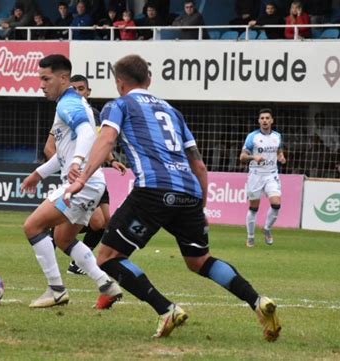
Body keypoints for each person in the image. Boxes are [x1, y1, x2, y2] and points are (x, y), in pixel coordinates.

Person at [64, 54, 281, 341]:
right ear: (149, 80)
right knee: (200, 260)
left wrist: (82, 176)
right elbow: (199, 164)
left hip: (153, 190)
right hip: (189, 191)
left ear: (119, 82)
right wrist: (200, 205)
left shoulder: (118, 105)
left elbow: (106, 141)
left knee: (106, 258)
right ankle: (258, 301)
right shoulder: (172, 112)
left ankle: (166, 309)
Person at [20, 54, 122, 309]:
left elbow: (87, 134)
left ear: (63, 78)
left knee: (33, 227)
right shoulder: (73, 103)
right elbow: (62, 155)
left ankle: (56, 290)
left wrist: (77, 162)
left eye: (46, 78)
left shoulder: (68, 104)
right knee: (63, 239)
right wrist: (39, 174)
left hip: (82, 184)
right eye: (40, 78)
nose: (41, 84)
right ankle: (107, 285)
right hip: (91, 183)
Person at [44, 74, 127, 275]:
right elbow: (49, 148)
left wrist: (112, 160)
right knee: (97, 222)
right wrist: (69, 166)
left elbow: (99, 143)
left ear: (88, 91)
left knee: (105, 222)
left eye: (82, 89)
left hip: (95, 174)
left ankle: (75, 260)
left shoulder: (95, 115)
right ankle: (56, 238)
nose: (78, 92)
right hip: (80, 176)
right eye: (74, 88)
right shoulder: (65, 113)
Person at [239, 108, 286, 247]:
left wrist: (281, 156)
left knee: (276, 204)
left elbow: (279, 151)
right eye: (262, 118)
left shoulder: (277, 136)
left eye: (267, 118)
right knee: (254, 208)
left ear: (272, 120)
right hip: (256, 175)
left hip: (272, 174)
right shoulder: (252, 137)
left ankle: (267, 229)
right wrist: (254, 157)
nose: (265, 120)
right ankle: (251, 237)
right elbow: (242, 156)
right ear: (259, 121)